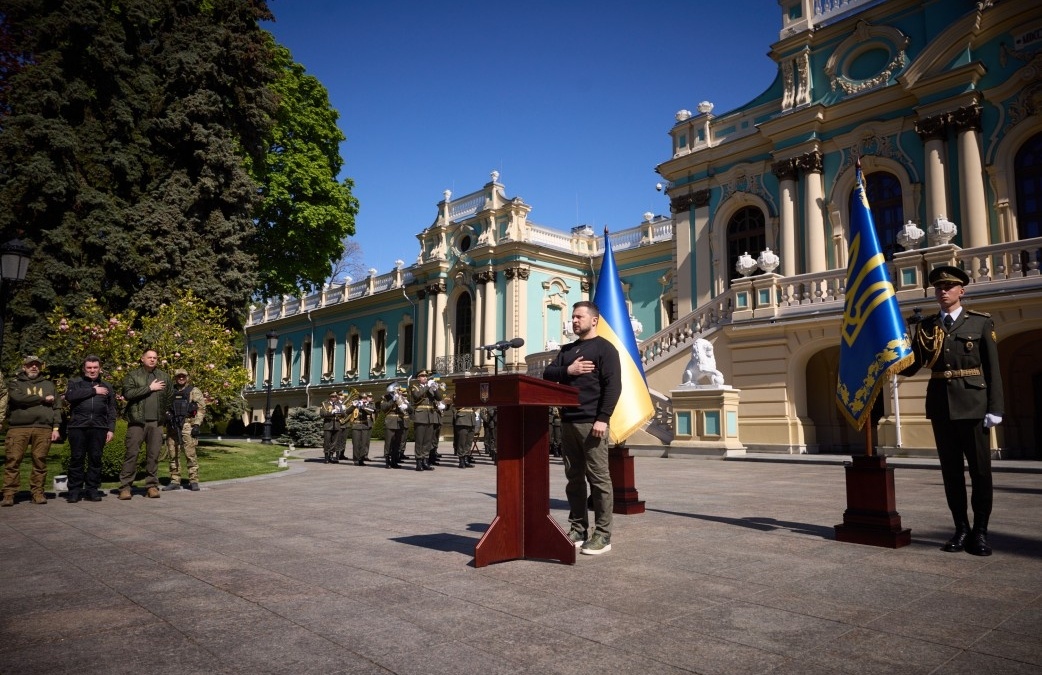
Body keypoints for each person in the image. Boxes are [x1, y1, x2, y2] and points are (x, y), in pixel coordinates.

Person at [903, 265, 1004, 556]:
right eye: (938, 287)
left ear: (962, 291)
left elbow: (992, 369)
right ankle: (961, 529)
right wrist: (886, 360)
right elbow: (912, 366)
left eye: (948, 287)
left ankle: (980, 533)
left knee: (980, 473)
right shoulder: (926, 326)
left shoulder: (980, 322)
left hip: (974, 406)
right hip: (941, 407)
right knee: (952, 474)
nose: (943, 291)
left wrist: (995, 408)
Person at [542, 301, 622, 555]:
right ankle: (578, 529)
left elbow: (613, 386)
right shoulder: (567, 350)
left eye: (579, 317)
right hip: (568, 422)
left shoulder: (605, 349)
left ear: (594, 320)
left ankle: (603, 535)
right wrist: (570, 369)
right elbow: (548, 374)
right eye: (573, 317)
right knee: (573, 478)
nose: (574, 321)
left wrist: (603, 418)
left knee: (598, 479)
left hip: (592, 423)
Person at [2, 356, 62, 506]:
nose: (34, 367)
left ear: (41, 367)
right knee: (13, 460)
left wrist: (56, 427)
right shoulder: (15, 383)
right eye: (30, 365)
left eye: (37, 365)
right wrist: (42, 399)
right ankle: (9, 494)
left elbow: (57, 407)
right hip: (18, 428)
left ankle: (37, 493)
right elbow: (18, 398)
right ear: (24, 367)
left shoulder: (49, 385)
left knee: (39, 461)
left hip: (43, 428)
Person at [119, 348, 172, 500]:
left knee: (153, 455)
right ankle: (125, 488)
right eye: (149, 357)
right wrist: (149, 388)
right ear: (142, 359)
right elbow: (128, 394)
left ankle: (151, 486)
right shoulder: (133, 375)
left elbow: (169, 396)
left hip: (156, 423)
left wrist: (163, 414)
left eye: (155, 357)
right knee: (132, 454)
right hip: (137, 423)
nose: (152, 360)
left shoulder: (164, 376)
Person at [63, 355, 117, 503]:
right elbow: (70, 396)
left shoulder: (107, 386)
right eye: (89, 368)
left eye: (95, 367)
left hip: (99, 427)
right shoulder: (75, 383)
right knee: (77, 458)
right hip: (78, 426)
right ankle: (74, 491)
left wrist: (111, 429)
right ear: (84, 369)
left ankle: (92, 490)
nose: (92, 370)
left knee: (95, 459)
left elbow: (111, 409)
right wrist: (94, 391)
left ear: (100, 369)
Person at [163, 368, 206, 491]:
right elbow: (163, 405)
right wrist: (166, 414)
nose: (181, 378)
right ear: (175, 378)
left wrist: (197, 425)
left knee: (190, 454)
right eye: (178, 376)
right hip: (173, 425)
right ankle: (175, 480)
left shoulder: (194, 391)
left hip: (188, 425)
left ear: (187, 377)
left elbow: (201, 409)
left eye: (183, 376)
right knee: (173, 453)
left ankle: (193, 480)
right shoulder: (170, 391)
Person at [409, 370, 442, 471]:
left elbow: (439, 398)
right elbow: (416, 396)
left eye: (426, 376)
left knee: (428, 441)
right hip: (420, 416)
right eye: (422, 376)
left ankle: (425, 460)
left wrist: (435, 389)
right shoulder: (415, 387)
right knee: (420, 441)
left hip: (430, 416)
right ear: (418, 378)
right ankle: (419, 461)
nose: (425, 377)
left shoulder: (430, 387)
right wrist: (428, 386)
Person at [380, 383, 410, 468]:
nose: (398, 390)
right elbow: (384, 408)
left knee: (397, 443)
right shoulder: (385, 397)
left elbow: (409, 410)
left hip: (400, 422)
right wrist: (393, 400)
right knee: (389, 443)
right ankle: (387, 461)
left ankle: (394, 461)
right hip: (390, 421)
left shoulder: (401, 397)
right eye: (397, 388)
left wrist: (405, 404)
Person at [319, 391, 347, 464]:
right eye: (332, 397)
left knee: (334, 442)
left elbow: (344, 415)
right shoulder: (324, 404)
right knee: (327, 441)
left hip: (337, 424)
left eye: (335, 397)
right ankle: (326, 457)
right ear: (330, 397)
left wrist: (341, 410)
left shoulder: (339, 404)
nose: (334, 398)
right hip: (328, 424)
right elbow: (322, 414)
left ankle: (331, 455)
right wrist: (331, 412)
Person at [450, 398, 478, 468]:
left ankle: (466, 459)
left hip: (471, 419)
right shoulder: (459, 394)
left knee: (469, 442)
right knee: (461, 442)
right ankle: (461, 460)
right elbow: (455, 405)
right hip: (462, 420)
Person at [350, 393, 376, 465]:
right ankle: (356, 459)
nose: (363, 399)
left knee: (364, 443)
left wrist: (363, 406)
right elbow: (347, 412)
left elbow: (371, 411)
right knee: (356, 443)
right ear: (359, 398)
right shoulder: (356, 404)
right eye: (362, 398)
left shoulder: (369, 405)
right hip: (356, 425)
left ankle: (361, 459)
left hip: (365, 425)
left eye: (365, 398)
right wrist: (353, 406)